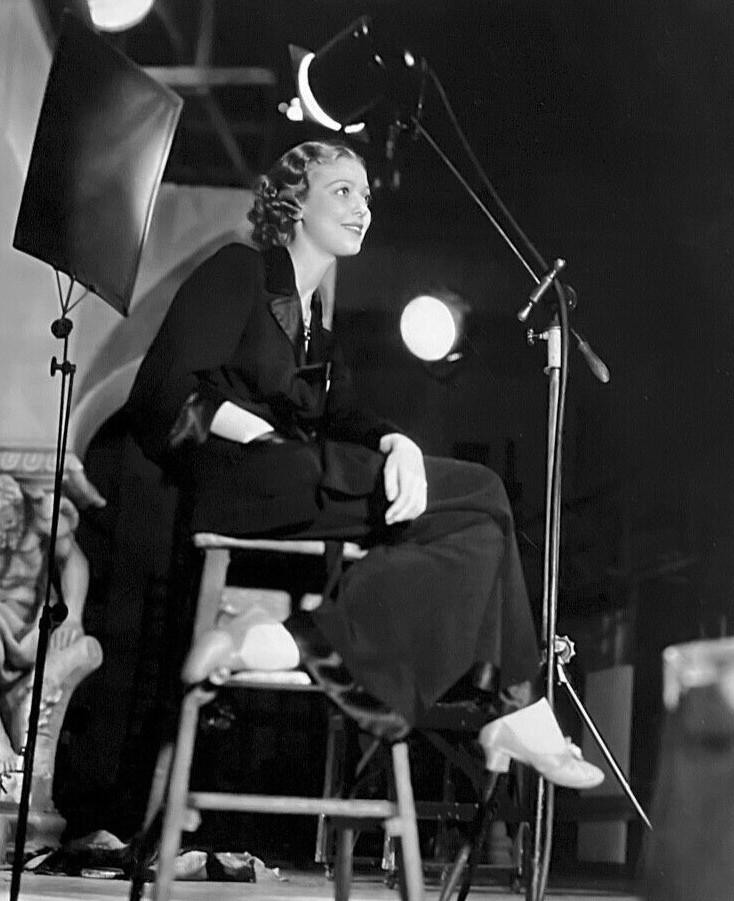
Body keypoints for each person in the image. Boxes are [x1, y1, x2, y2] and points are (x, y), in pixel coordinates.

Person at [126, 140, 602, 790]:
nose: (363, 209)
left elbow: (348, 413)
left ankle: (292, 643)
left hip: (298, 480)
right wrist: (260, 435)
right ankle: (517, 706)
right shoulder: (238, 271)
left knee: (476, 529)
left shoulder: (317, 319)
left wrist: (397, 443)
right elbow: (163, 392)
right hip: (240, 481)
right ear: (294, 203)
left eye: (367, 196)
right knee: (483, 490)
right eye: (343, 191)